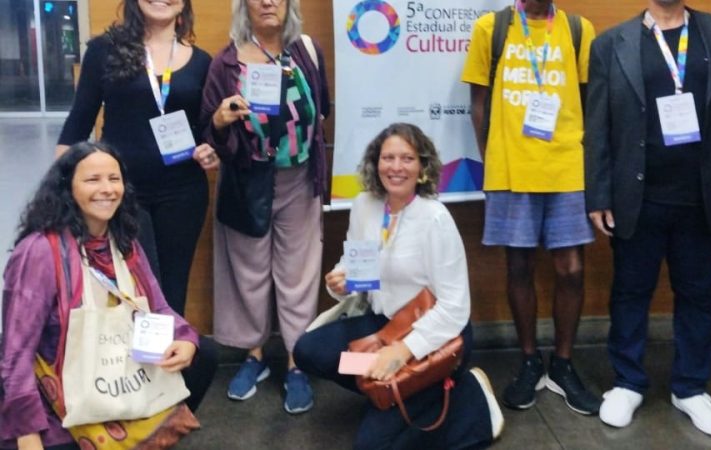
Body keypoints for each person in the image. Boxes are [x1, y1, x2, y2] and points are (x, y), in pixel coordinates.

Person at [584, 0, 711, 436]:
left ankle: (691, 387)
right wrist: (599, 194)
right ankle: (627, 382)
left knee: (697, 294)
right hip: (637, 196)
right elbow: (599, 126)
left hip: (703, 196)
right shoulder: (611, 44)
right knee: (630, 292)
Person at [294, 123, 504, 449]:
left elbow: (455, 308)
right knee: (309, 351)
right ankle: (393, 390)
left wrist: (403, 351)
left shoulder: (435, 218)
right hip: (384, 325)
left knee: (371, 446)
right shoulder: (365, 205)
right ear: (375, 163)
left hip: (436, 335)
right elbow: (355, 265)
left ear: (422, 167)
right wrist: (341, 281)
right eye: (388, 157)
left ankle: (470, 399)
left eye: (407, 158)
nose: (396, 167)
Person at [0, 142, 216, 450]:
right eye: (93, 180)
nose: (107, 189)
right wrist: (27, 434)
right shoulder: (40, 251)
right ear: (68, 188)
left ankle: (137, 431)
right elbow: (16, 351)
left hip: (117, 367)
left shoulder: (123, 241)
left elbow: (159, 308)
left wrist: (185, 339)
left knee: (203, 355)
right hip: (61, 394)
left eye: (114, 179)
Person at [461, 0, 601, 414]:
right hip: (511, 169)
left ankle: (563, 364)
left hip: (566, 168)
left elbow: (590, 101)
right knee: (518, 266)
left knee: (571, 269)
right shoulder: (492, 29)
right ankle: (528, 361)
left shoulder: (579, 30)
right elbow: (478, 105)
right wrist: (491, 159)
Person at [199, 0, 329, 414]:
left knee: (298, 273)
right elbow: (208, 129)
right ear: (245, 6)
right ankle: (253, 356)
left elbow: (322, 109)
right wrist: (220, 121)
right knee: (248, 271)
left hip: (300, 179)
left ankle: (296, 361)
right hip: (246, 180)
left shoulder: (307, 52)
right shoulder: (225, 63)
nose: (268, 1)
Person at [56, 0, 217, 316]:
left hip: (184, 193)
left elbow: (207, 129)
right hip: (121, 192)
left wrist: (211, 149)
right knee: (135, 290)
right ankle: (130, 350)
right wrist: (59, 191)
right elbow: (78, 123)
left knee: (172, 292)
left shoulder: (202, 62)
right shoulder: (105, 50)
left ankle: (169, 348)